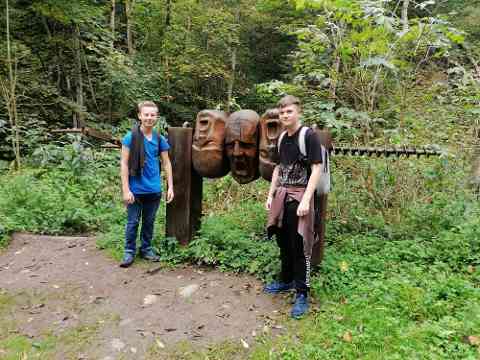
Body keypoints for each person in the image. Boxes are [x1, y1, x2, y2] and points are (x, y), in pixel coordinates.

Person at [265, 95, 322, 318]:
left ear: (298, 112)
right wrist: (270, 195)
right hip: (282, 196)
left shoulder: (308, 136)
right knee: (283, 241)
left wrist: (307, 200)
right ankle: (287, 280)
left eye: (289, 111)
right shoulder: (281, 139)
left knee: (300, 244)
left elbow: (316, 168)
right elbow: (278, 169)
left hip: (300, 198)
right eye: (282, 112)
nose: (285, 115)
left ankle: (302, 293)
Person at [119, 101, 174, 268]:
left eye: (152, 115)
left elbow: (166, 163)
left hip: (153, 189)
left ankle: (146, 249)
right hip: (135, 190)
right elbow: (124, 164)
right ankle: (129, 252)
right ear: (140, 116)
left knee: (149, 222)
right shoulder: (131, 137)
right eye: (146, 114)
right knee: (133, 222)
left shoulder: (159, 139)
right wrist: (126, 189)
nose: (149, 118)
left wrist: (170, 186)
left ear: (156, 117)